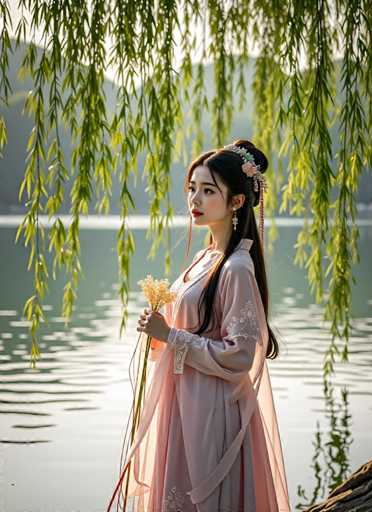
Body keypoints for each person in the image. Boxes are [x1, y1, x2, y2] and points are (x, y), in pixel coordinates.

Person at [109, 139, 291, 511]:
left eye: (208, 191)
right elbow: (187, 333)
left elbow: (241, 356)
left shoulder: (236, 268)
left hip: (211, 410)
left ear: (236, 202)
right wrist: (161, 334)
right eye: (192, 188)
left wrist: (171, 336)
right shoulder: (206, 257)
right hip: (185, 400)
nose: (195, 199)